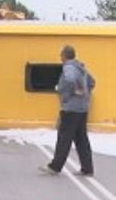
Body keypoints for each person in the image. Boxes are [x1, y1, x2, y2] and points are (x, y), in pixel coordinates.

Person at [40, 45, 95, 177]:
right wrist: (84, 94)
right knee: (81, 138)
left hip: (70, 108)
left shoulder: (69, 67)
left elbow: (70, 80)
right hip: (82, 109)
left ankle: (55, 166)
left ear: (64, 55)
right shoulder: (81, 68)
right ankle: (87, 168)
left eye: (61, 55)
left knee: (64, 137)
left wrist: (72, 92)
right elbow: (92, 82)